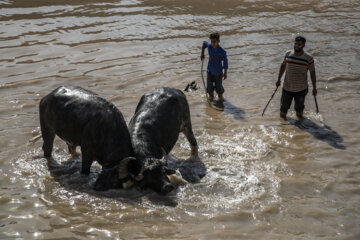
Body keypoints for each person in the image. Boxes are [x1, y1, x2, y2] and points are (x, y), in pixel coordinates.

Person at [276, 36, 317, 119]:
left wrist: (314, 88)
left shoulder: (308, 58)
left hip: (301, 89)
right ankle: (283, 126)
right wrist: (278, 79)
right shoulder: (288, 54)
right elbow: (283, 66)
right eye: (295, 44)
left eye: (299, 44)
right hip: (287, 88)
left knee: (299, 112)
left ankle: (301, 126)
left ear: (303, 45)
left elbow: (312, 73)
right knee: (283, 111)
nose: (296, 46)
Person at [201, 32, 228, 101]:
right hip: (209, 70)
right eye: (212, 42)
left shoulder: (222, 51)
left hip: (218, 73)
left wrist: (225, 73)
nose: (213, 43)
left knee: (219, 90)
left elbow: (225, 62)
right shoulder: (209, 46)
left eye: (215, 42)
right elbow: (204, 44)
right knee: (209, 89)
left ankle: (220, 100)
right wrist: (202, 54)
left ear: (218, 41)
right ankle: (211, 99)